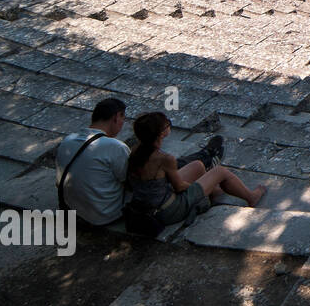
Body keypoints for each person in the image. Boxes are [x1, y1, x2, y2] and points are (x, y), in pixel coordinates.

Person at [125, 112, 264, 228]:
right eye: (167, 124)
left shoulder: (135, 152)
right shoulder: (165, 159)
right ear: (161, 134)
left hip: (151, 202)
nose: (169, 125)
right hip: (167, 210)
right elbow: (179, 187)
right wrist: (196, 188)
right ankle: (251, 197)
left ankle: (214, 192)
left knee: (197, 165)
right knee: (220, 171)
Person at [56, 98, 130, 227]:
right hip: (104, 215)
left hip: (70, 210)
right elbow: (129, 181)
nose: (122, 124)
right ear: (117, 117)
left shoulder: (68, 140)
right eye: (123, 119)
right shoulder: (115, 146)